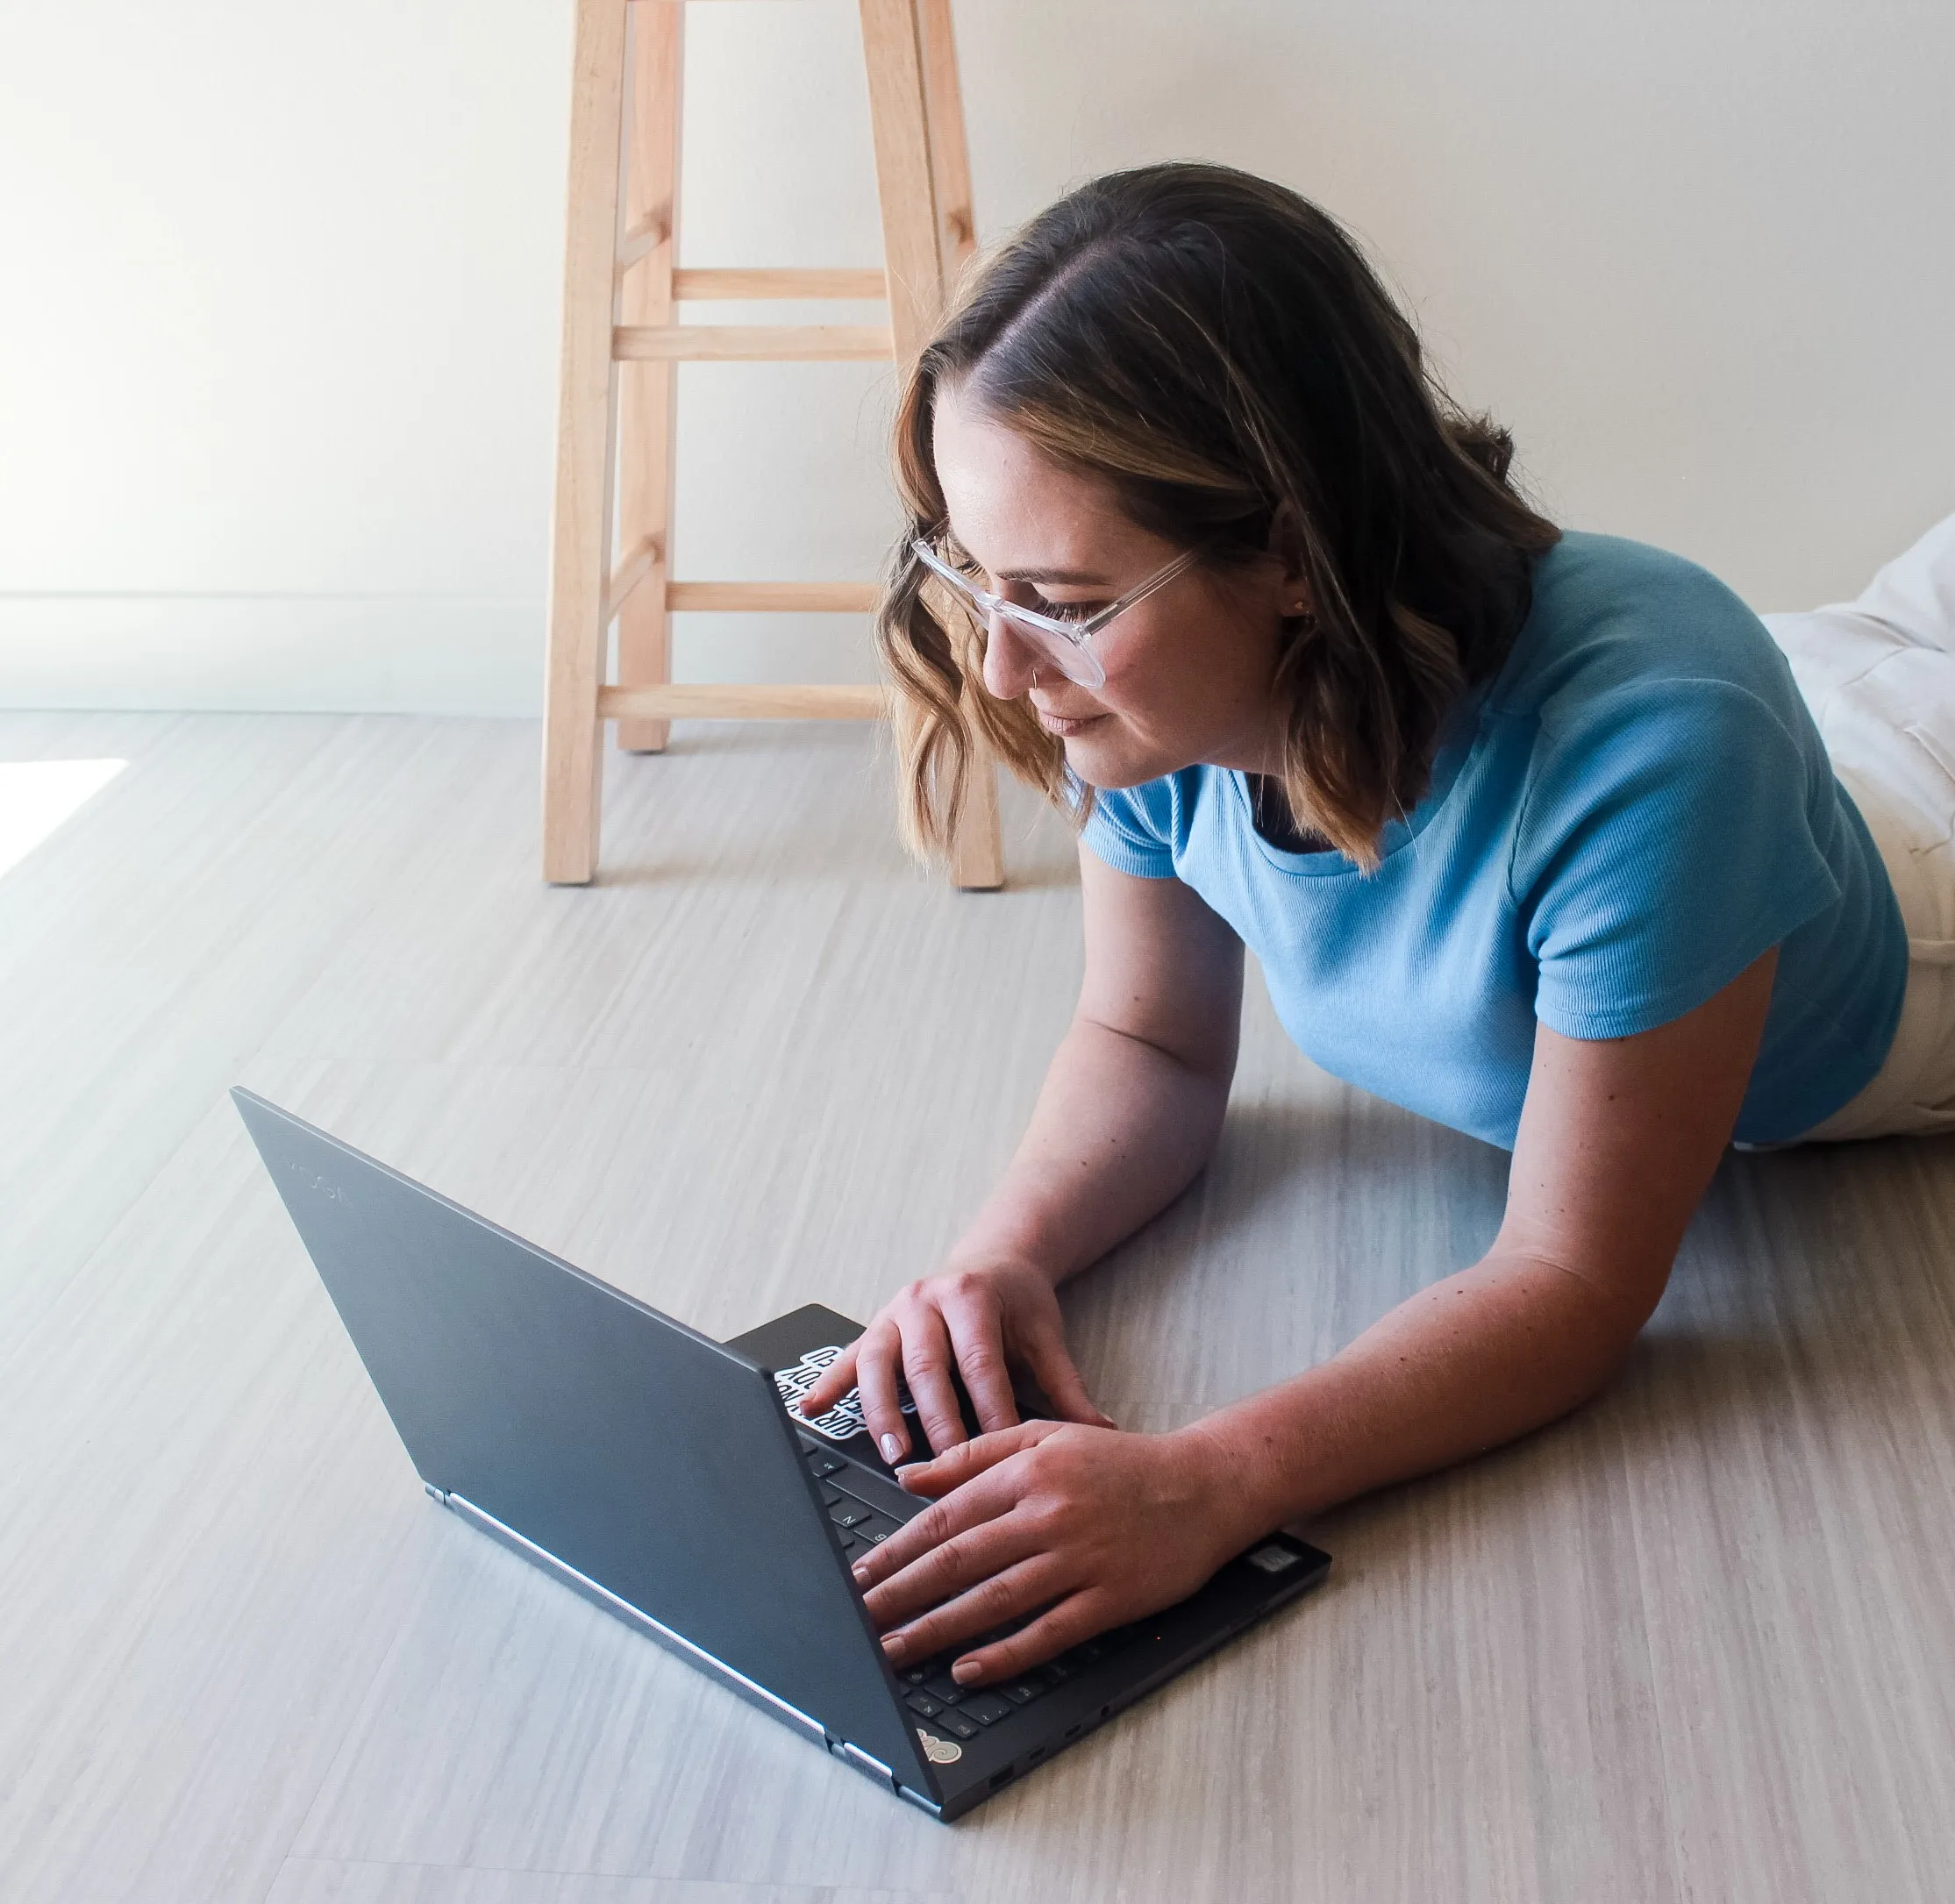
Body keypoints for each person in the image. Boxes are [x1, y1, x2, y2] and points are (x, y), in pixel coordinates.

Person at [796, 160, 1955, 1693]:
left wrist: (1210, 1479)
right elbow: (1146, 1038)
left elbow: (1570, 1281)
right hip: (1807, 714)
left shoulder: (1659, 749)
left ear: (1289, 555)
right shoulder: (1149, 698)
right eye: (973, 573)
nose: (1002, 666)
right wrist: (999, 1256)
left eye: (1060, 601)